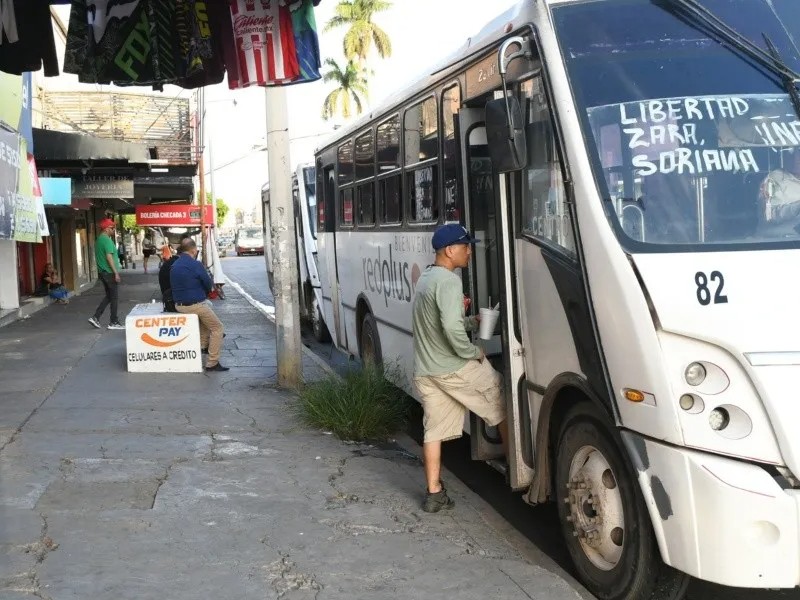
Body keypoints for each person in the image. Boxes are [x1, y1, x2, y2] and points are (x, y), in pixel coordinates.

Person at [411, 223, 508, 513]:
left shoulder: (428, 277)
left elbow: (440, 324)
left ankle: (434, 493)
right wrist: (473, 352)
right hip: (451, 366)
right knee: (502, 397)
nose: (469, 252)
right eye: (466, 247)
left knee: (434, 430)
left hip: (426, 370)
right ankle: (518, 469)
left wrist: (472, 321)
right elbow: (452, 332)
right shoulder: (450, 282)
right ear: (450, 251)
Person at [170, 238, 228, 372]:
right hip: (194, 305)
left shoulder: (175, 264)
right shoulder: (195, 264)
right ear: (193, 250)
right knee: (217, 328)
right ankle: (212, 362)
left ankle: (203, 346)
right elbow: (208, 284)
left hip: (179, 305)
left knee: (205, 316)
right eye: (196, 250)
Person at [88, 218, 125, 330]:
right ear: (106, 228)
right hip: (109, 273)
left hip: (103, 273)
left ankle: (95, 317)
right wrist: (116, 273)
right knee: (114, 298)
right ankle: (113, 321)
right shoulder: (107, 240)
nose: (114, 230)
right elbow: (109, 257)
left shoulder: (99, 240)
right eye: (112, 228)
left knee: (109, 296)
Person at [760, 150, 800, 225]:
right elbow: (769, 215)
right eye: (791, 152)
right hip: (779, 235)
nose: (796, 158)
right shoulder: (773, 179)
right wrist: (797, 207)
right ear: (785, 155)